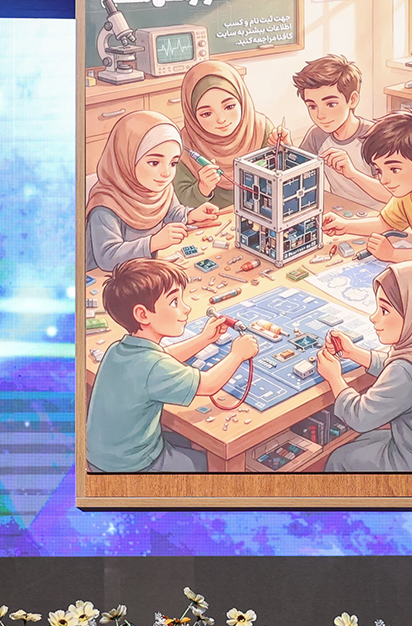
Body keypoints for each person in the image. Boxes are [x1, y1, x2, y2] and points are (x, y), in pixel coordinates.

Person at [84, 257, 259, 473]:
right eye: (175, 302)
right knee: (215, 466)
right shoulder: (154, 366)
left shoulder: (118, 349)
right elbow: (208, 385)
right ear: (142, 314)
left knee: (188, 444)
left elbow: (163, 355)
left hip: (103, 458)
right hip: (135, 467)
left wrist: (204, 339)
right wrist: (238, 354)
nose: (186, 309)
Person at [316, 261, 412, 472]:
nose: (374, 317)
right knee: (367, 440)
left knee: (340, 458)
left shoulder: (403, 371)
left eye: (384, 310)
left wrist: (334, 378)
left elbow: (360, 417)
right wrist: (354, 353)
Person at [84, 109, 220, 274]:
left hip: (148, 269)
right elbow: (107, 257)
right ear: (126, 157)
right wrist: (152, 243)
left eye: (173, 163)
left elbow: (171, 212)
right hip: (110, 277)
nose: (166, 173)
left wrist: (190, 215)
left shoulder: (161, 189)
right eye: (154, 163)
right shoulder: (105, 205)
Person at [321, 112, 412, 266]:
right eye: (379, 170)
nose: (384, 180)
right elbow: (386, 223)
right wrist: (345, 226)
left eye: (394, 169)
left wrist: (392, 254)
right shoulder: (407, 191)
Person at [173, 58, 277, 211]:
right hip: (213, 220)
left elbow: (284, 177)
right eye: (206, 113)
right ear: (192, 115)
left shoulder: (260, 128)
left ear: (242, 100)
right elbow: (180, 202)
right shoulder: (184, 144)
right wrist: (202, 188)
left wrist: (284, 150)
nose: (221, 119)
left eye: (229, 106)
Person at [292, 54, 389, 206]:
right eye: (312, 106)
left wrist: (352, 174)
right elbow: (298, 171)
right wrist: (286, 149)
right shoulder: (317, 135)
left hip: (379, 213)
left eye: (331, 104)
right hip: (340, 208)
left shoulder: (376, 137)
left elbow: (394, 196)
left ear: (352, 100)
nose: (320, 115)